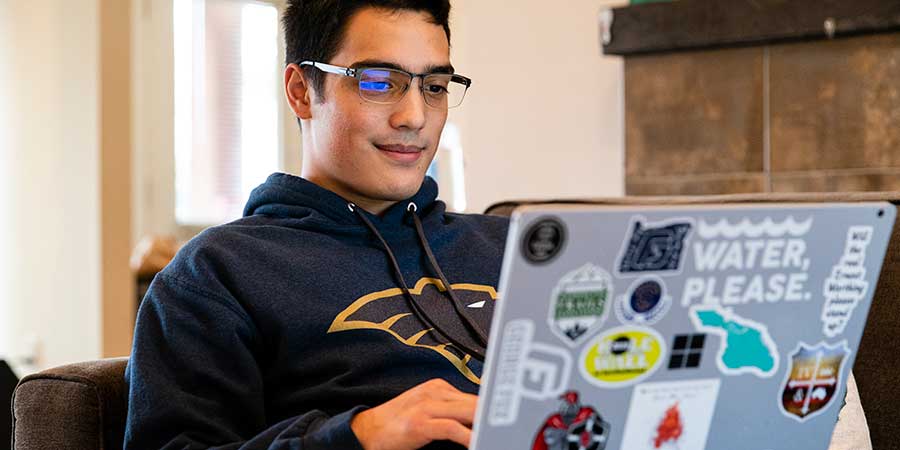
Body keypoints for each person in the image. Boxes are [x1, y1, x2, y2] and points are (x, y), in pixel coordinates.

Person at [124, 1, 508, 449]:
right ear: (302, 91)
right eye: (379, 82)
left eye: (436, 87)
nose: (414, 117)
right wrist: (358, 436)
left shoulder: (510, 249)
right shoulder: (216, 273)